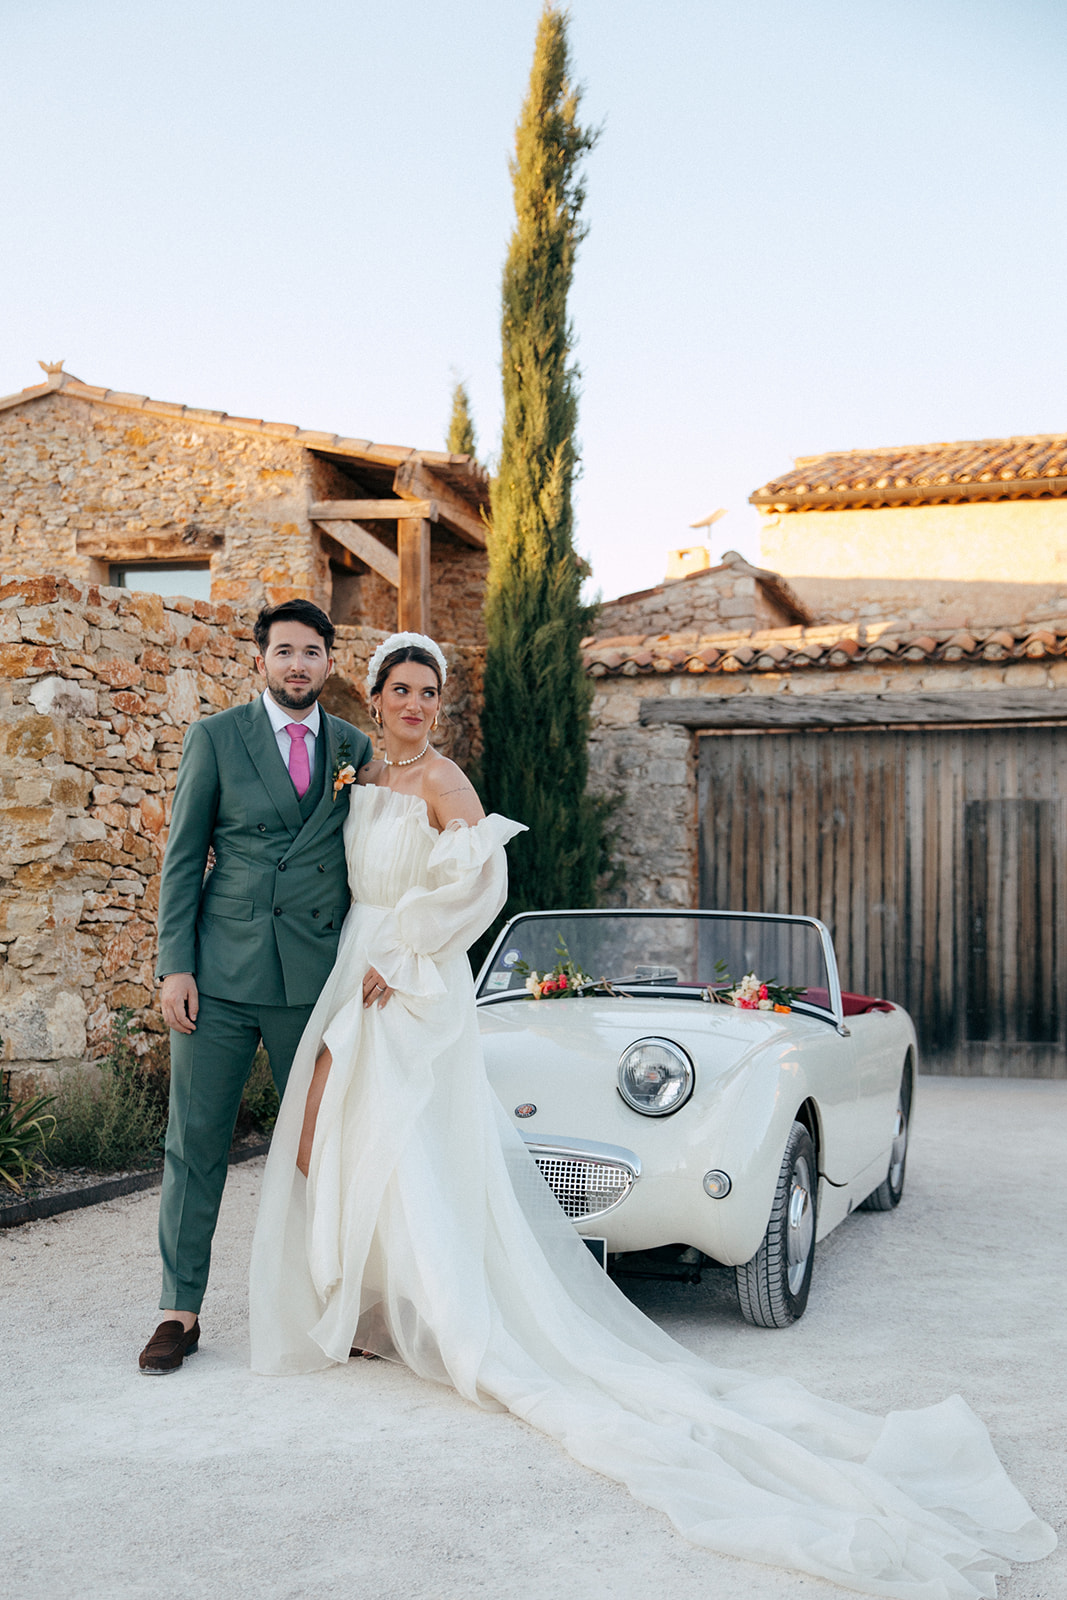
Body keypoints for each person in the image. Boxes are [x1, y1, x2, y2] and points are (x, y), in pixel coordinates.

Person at [249, 632, 1055, 1599]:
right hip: (358, 964)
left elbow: (476, 885)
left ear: (436, 701)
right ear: (374, 698)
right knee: (335, 1134)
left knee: (405, 1139)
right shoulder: (366, 775)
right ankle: (371, 1302)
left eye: (428, 691)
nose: (414, 704)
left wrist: (406, 952)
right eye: (401, 690)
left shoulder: (446, 783)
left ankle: (439, 1314)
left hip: (407, 979)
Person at [139, 599, 373, 1374]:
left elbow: (374, 862)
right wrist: (175, 965)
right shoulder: (215, 737)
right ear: (260, 659)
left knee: (323, 1147)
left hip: (314, 978)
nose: (297, 664)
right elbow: (183, 857)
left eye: (311, 651)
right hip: (220, 975)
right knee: (195, 1142)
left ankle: (333, 1303)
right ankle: (178, 1310)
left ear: (329, 662)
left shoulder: (354, 747)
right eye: (283, 651)